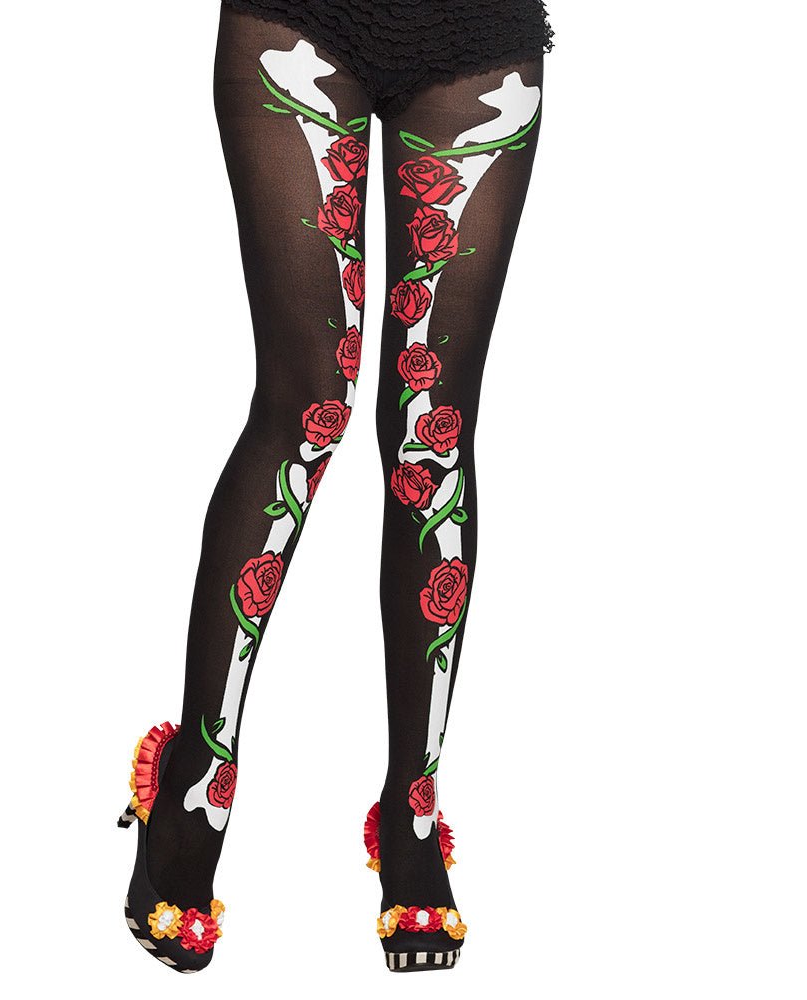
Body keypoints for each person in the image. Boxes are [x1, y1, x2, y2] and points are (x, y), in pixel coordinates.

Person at [118, 0, 553, 973]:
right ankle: (196, 782)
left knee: (431, 436)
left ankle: (413, 810)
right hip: (301, 15)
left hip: (480, 32)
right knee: (307, 409)